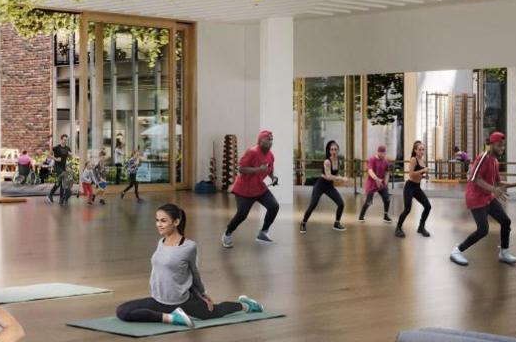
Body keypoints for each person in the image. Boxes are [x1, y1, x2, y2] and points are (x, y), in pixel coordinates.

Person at [115, 203, 265, 328]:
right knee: (122, 311)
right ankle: (172, 318)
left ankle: (246, 305)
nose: (159, 224)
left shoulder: (189, 247)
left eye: (163, 221)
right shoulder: (161, 242)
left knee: (216, 311)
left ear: (176, 222)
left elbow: (194, 273)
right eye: (157, 220)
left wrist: (202, 294)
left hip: (181, 301)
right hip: (158, 300)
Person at [452, 131, 516, 267]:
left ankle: (504, 252)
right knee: (483, 230)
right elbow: (474, 178)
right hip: (475, 198)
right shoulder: (483, 157)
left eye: (503, 145)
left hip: (488, 196)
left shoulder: (495, 161)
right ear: (492, 144)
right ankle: (457, 251)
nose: (502, 148)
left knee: (505, 221)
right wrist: (493, 190)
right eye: (499, 145)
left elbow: (498, 183)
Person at [221, 129, 279, 248]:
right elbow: (241, 169)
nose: (270, 142)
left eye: (271, 140)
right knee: (242, 214)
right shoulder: (252, 152)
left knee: (274, 206)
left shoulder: (270, 155)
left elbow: (269, 169)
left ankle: (263, 233)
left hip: (259, 188)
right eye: (268, 139)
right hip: (244, 190)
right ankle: (227, 234)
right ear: (260, 141)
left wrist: (273, 177)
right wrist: (258, 169)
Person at [299, 139, 347, 233]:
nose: (333, 151)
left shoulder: (339, 161)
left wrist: (342, 177)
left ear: (338, 150)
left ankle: (337, 223)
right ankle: (303, 223)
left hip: (329, 186)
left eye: (335, 149)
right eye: (332, 149)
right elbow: (328, 176)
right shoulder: (327, 161)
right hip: (320, 185)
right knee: (312, 205)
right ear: (329, 151)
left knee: (341, 204)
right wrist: (341, 179)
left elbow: (335, 175)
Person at [395, 140, 432, 239]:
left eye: (423, 149)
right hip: (409, 187)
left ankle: (421, 227)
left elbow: (418, 174)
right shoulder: (413, 159)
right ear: (415, 150)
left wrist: (424, 177)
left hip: (417, 187)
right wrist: (423, 170)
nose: (422, 151)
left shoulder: (422, 160)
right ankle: (398, 228)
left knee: (428, 206)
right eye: (420, 149)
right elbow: (411, 174)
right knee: (407, 209)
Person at [358, 144, 393, 222]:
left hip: (381, 184)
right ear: (378, 152)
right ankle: (361, 216)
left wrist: (386, 183)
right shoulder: (372, 159)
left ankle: (386, 215)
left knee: (387, 199)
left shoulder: (385, 161)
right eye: (382, 153)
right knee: (369, 202)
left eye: (385, 153)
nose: (384, 155)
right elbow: (370, 170)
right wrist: (376, 179)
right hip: (372, 183)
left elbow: (387, 172)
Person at [47, 134, 73, 205]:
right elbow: (49, 155)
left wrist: (70, 155)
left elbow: (70, 157)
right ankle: (59, 197)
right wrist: (55, 159)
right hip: (57, 167)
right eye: (64, 140)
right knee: (62, 181)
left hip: (64, 167)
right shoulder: (56, 148)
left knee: (61, 183)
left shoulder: (68, 148)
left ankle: (52, 195)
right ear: (61, 139)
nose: (65, 141)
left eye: (66, 140)